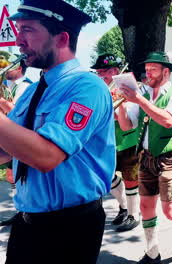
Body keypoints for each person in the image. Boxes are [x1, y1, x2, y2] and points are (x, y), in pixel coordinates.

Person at [1, 1, 115, 263]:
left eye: (27, 29)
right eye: (18, 30)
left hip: (70, 227)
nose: (18, 40)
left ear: (62, 38)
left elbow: (46, 156)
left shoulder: (88, 87)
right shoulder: (32, 91)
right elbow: (7, 149)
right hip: (27, 222)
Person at [117, 51, 172, 263]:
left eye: (152, 69)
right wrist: (119, 105)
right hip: (146, 157)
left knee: (170, 210)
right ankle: (152, 253)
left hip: (169, 158)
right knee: (146, 206)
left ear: (166, 71)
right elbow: (127, 126)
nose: (148, 74)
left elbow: (167, 121)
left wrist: (138, 99)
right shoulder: (143, 96)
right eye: (146, 70)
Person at [91, 53, 141, 232]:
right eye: (98, 71)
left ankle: (134, 214)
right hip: (107, 141)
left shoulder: (132, 87)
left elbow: (128, 117)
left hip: (128, 140)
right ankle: (123, 206)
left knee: (130, 178)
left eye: (103, 71)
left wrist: (116, 105)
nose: (100, 75)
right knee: (108, 176)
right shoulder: (98, 90)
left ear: (114, 71)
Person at [0, 53, 32, 227]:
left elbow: (18, 113)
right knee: (12, 175)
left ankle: (27, 211)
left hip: (20, 135)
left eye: (6, 64)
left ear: (19, 67)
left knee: (22, 174)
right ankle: (20, 210)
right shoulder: (5, 85)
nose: (2, 67)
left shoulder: (27, 87)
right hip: (6, 135)